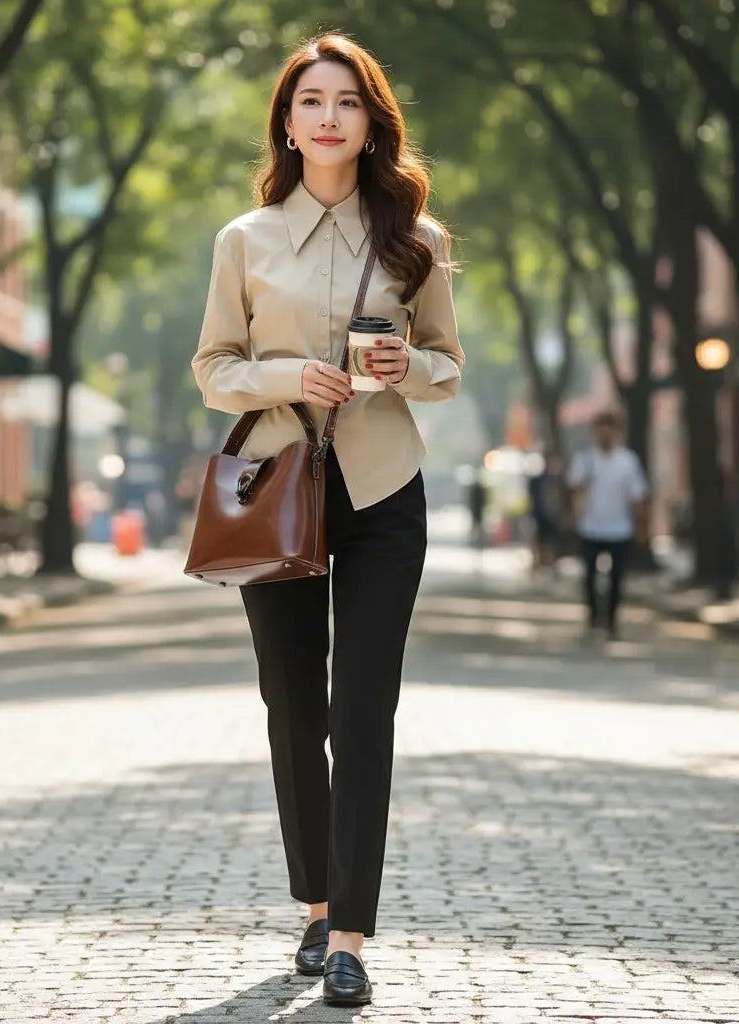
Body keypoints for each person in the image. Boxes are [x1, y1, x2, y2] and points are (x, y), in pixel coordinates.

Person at [191, 34, 463, 1007]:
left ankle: (349, 933)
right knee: (295, 706)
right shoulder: (245, 239)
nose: (329, 116)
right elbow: (213, 368)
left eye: (347, 100)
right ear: (287, 121)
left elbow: (447, 365)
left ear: (371, 120)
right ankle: (314, 904)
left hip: (384, 490)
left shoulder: (416, 240)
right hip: (277, 490)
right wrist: (285, 377)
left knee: (362, 709)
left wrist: (405, 367)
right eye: (311, 100)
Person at [566, 410, 648, 639]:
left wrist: (642, 526)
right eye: (601, 429)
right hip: (590, 527)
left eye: (610, 429)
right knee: (590, 577)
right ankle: (594, 617)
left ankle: (611, 620)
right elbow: (573, 491)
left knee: (617, 578)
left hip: (620, 529)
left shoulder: (628, 462)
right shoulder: (585, 460)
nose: (605, 434)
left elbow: (637, 496)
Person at [528, 451, 565, 570]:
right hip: (541, 516)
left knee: (553, 541)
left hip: (555, 517)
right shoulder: (537, 481)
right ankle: (539, 563)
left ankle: (552, 564)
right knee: (541, 540)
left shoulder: (560, 481)